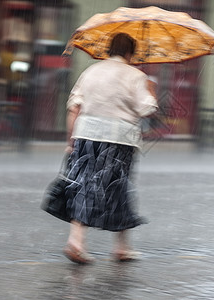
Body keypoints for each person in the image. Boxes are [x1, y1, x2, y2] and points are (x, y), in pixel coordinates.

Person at [63, 33, 158, 264]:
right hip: (120, 139)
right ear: (130, 53)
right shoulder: (137, 76)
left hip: (86, 134)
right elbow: (147, 109)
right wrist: (151, 89)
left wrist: (70, 140)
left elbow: (74, 107)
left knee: (84, 185)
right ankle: (119, 247)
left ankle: (80, 240)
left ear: (109, 50)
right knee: (118, 188)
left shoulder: (90, 72)